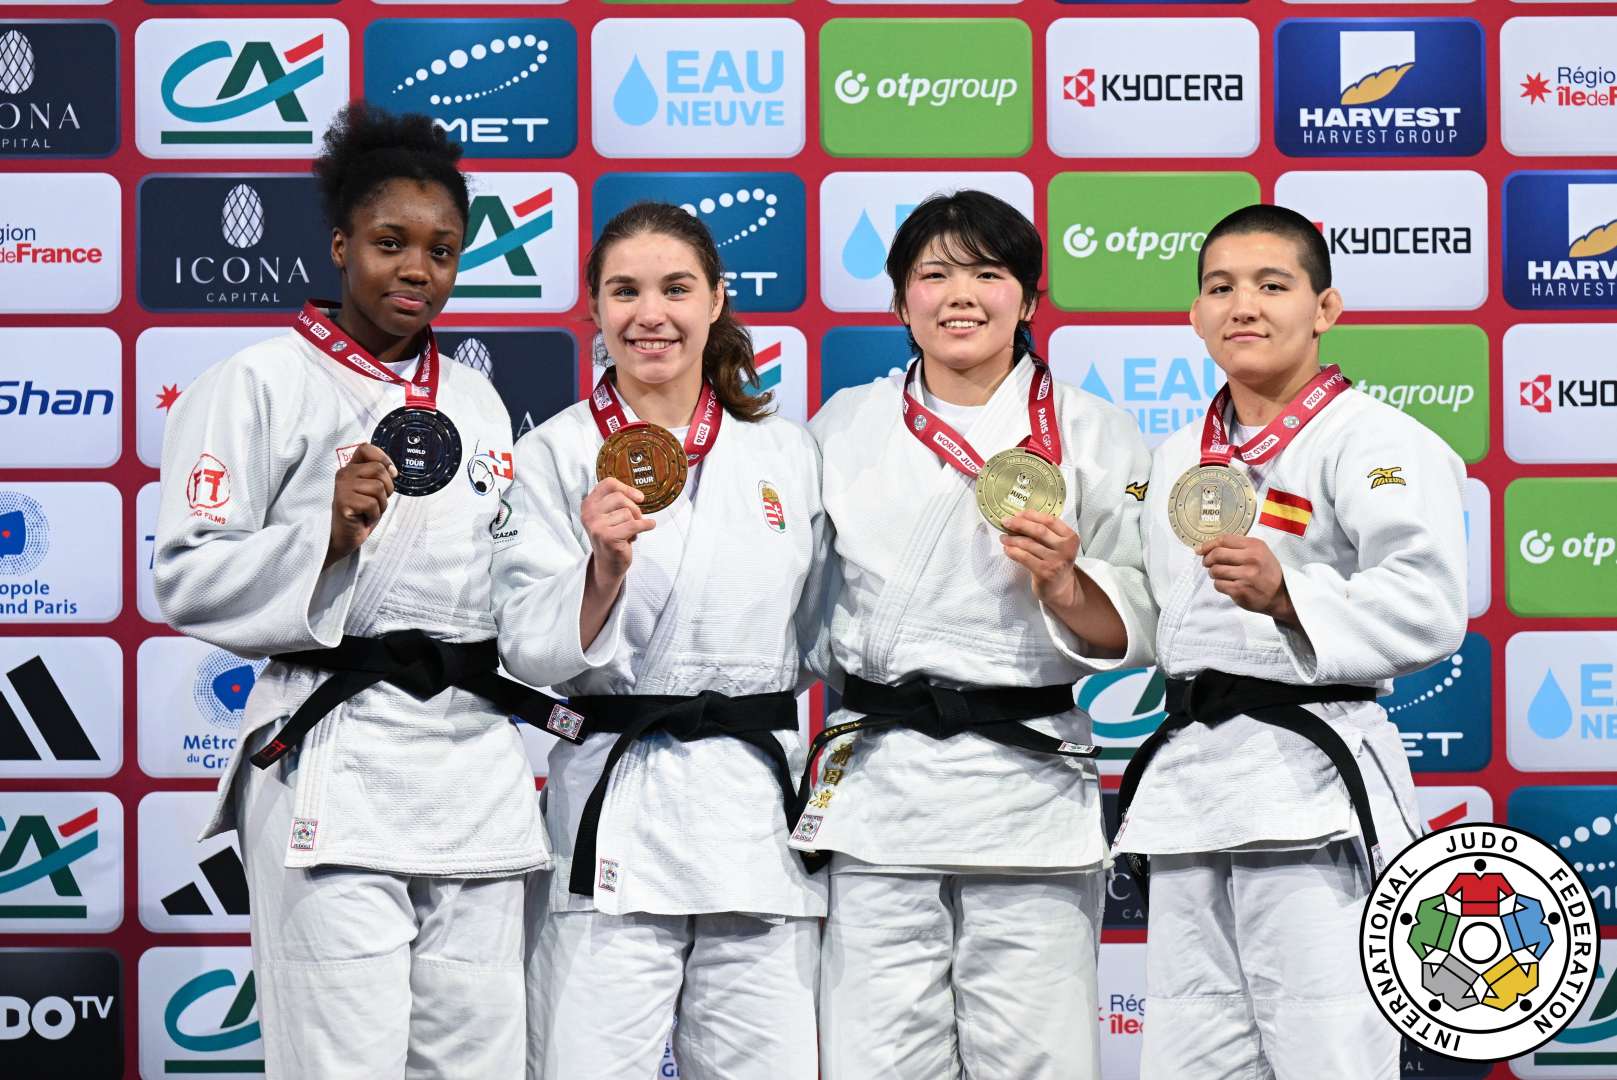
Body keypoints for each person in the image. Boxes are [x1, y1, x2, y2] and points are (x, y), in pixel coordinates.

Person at [154, 103, 547, 1077]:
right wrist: (320, 534)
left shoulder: (477, 399)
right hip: (336, 753)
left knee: (480, 1060)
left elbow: (504, 575)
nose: (418, 269)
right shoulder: (256, 382)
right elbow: (187, 574)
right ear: (341, 247)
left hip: (472, 765)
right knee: (341, 1062)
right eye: (390, 243)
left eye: (442, 251)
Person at [797, 190, 1157, 1079]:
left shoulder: (1095, 433)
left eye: (987, 274)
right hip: (881, 789)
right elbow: (795, 603)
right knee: (873, 1061)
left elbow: (1141, 618)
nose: (960, 295)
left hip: (1027, 787)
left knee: (1041, 1060)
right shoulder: (843, 425)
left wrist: (1065, 584)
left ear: (1027, 298)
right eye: (934, 275)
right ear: (899, 301)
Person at [1113, 203, 1467, 1078]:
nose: (1243, 306)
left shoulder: (1376, 439)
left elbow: (1428, 603)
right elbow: (1158, 618)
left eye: (1272, 285)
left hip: (1312, 788)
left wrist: (1287, 597)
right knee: (1188, 1058)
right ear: (1194, 314)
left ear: (1325, 309)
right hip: (1191, 790)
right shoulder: (1177, 459)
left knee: (1328, 1050)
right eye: (1220, 288)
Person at [493, 201, 828, 1080]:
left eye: (675, 289)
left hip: (752, 817)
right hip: (616, 812)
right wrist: (601, 571)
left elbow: (826, 629)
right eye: (625, 292)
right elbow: (526, 648)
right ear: (594, 307)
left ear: (715, 299)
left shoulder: (785, 452)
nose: (651, 315)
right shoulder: (555, 452)